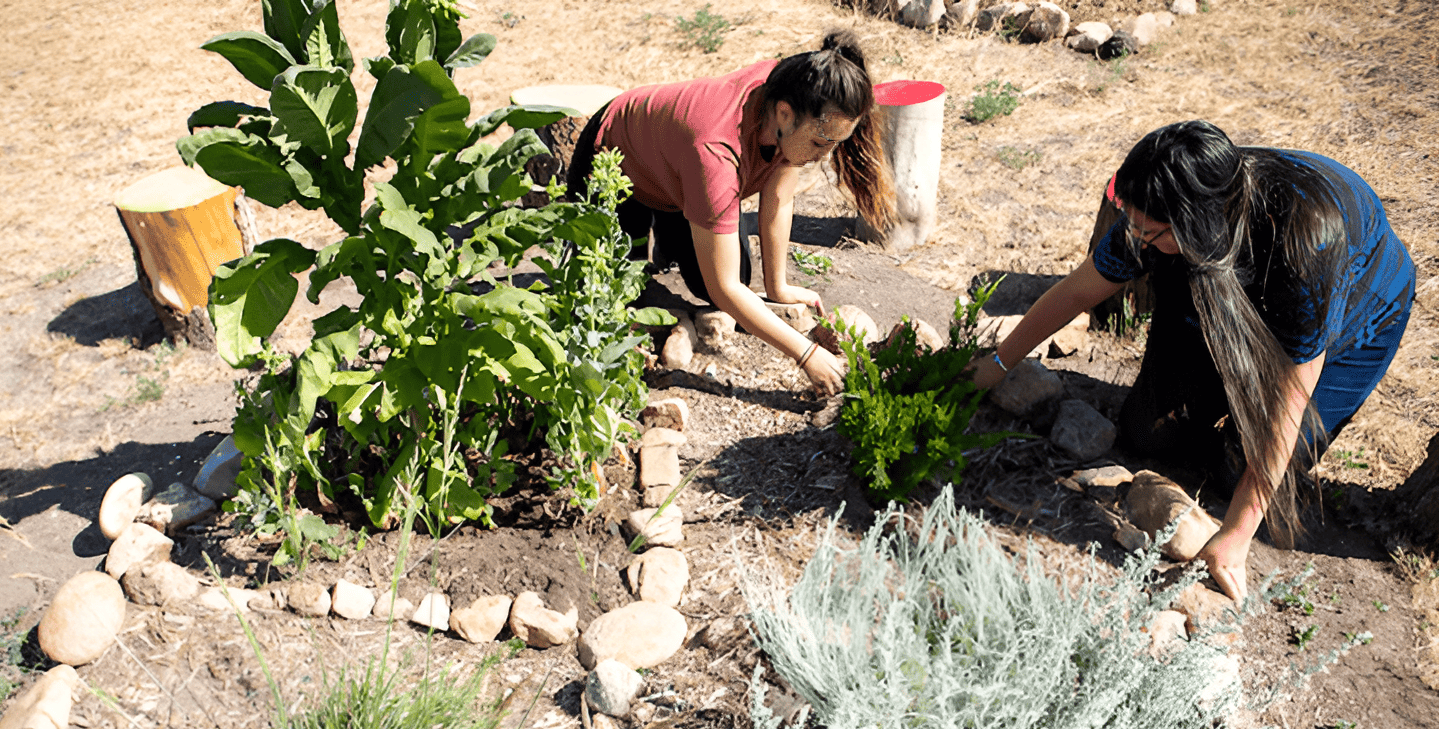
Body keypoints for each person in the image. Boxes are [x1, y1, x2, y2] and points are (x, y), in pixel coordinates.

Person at [970, 120, 1415, 601]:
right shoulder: (1169, 201)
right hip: (1222, 278)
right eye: (1134, 226)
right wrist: (995, 365)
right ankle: (1222, 400)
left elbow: (1291, 394)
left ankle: (1235, 431)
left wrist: (1236, 537)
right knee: (1150, 434)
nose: (1138, 241)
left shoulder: (1306, 241)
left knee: (1237, 471)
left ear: (1198, 221)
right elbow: (1080, 288)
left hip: (1360, 313)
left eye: (1151, 233)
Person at [565, 32, 895, 396]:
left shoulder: (794, 92)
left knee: (734, 275)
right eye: (821, 143)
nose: (824, 155)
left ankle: (672, 231)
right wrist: (805, 354)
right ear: (784, 113)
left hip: (677, 179)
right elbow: (726, 291)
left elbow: (779, 198)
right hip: (614, 160)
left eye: (835, 144)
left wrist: (778, 287)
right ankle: (653, 236)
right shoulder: (716, 152)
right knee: (607, 298)